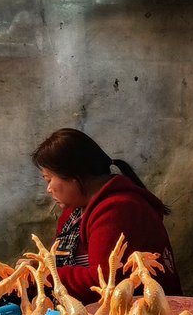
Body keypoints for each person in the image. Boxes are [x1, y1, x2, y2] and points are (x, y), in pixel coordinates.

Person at [31, 127, 182, 302]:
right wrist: (36, 269)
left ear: (74, 175)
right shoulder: (74, 213)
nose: (48, 189)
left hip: (142, 311)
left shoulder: (118, 210)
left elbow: (103, 282)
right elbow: (56, 264)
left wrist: (44, 275)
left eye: (49, 179)